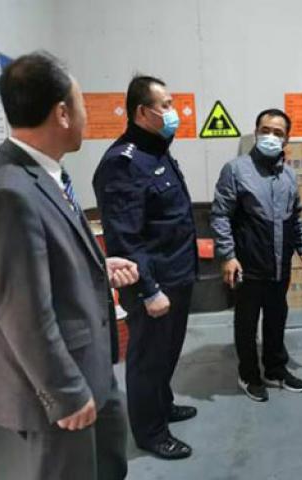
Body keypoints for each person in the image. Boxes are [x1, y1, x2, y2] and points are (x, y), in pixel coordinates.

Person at [0, 51, 139, 480]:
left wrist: (99, 264)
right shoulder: (6, 192)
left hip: (89, 365)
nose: (85, 116)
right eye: (81, 105)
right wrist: (66, 393)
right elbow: (21, 312)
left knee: (108, 466)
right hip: (59, 386)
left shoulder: (44, 174)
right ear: (62, 113)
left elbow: (44, 263)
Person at [93, 75, 198, 460]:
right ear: (142, 112)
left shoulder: (157, 151)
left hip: (177, 274)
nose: (173, 112)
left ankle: (162, 404)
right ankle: (151, 432)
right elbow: (125, 239)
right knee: (147, 359)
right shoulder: (123, 163)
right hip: (154, 282)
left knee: (167, 352)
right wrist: (149, 291)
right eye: (165, 105)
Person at [210, 108, 302, 402]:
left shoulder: (289, 175)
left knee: (276, 317)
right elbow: (220, 215)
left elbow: (295, 216)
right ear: (256, 133)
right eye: (265, 130)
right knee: (246, 322)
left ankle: (275, 369)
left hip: (280, 264)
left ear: (286, 140)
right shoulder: (236, 170)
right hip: (248, 263)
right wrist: (228, 255)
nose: (271, 136)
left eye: (278, 133)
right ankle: (249, 374)